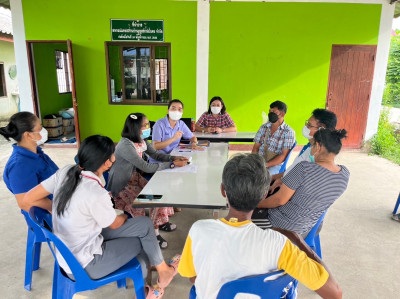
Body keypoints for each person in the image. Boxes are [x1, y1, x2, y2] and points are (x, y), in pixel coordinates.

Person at [22, 135, 179, 298]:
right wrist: (124, 216)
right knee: (142, 240)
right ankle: (149, 288)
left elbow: (28, 199)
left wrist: (59, 208)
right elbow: (115, 224)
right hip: (85, 265)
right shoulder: (96, 193)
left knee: (144, 225)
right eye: (113, 153)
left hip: (71, 249)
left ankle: (161, 268)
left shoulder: (67, 171)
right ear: (107, 162)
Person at [178, 153, 342, 299]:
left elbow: (192, 277)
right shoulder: (279, 244)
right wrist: (300, 242)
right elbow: (335, 293)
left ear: (223, 191)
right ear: (264, 194)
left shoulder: (199, 230)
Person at [107, 113, 188, 249]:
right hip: (123, 184)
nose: (147, 127)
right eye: (144, 125)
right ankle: (152, 234)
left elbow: (155, 154)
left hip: (134, 178)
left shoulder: (141, 140)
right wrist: (172, 165)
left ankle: (161, 222)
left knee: (161, 194)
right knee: (148, 202)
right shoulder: (126, 144)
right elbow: (145, 167)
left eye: (147, 124)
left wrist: (173, 159)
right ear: (134, 127)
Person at [253, 129, 350, 236]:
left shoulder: (304, 168)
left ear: (317, 146)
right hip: (305, 229)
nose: (310, 149)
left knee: (242, 215)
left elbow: (279, 200)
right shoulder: (344, 174)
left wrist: (257, 204)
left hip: (281, 227)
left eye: (312, 146)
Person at [270, 108, 337, 193]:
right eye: (306, 123)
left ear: (321, 130)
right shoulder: (309, 147)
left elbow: (301, 187)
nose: (305, 126)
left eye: (309, 125)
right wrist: (274, 177)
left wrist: (282, 182)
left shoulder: (317, 156)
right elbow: (292, 170)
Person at [1, 111, 58, 211]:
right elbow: (25, 203)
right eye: (40, 128)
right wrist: (62, 209)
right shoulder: (19, 166)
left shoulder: (36, 153)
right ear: (28, 135)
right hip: (51, 219)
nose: (43, 130)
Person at [252, 101, 295, 175]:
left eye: (274, 112)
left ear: (282, 114)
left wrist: (266, 165)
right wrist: (254, 162)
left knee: (264, 178)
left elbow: (283, 155)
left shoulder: (288, 132)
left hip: (275, 165)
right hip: (259, 162)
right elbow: (256, 148)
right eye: (270, 111)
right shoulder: (263, 127)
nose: (270, 114)